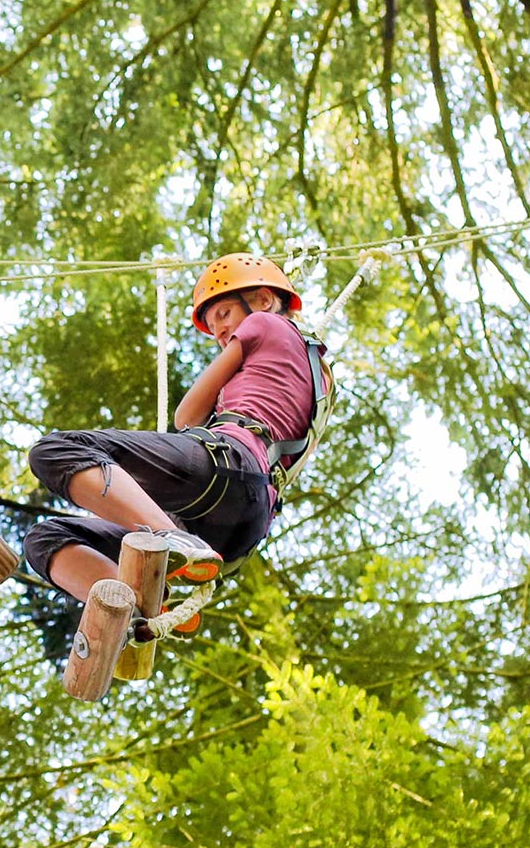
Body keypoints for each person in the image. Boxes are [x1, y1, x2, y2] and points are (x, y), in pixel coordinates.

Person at [21, 253, 332, 613]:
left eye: (224, 315)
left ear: (263, 299)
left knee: (57, 450)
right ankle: (131, 611)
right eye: (214, 329)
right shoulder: (316, 378)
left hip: (228, 464)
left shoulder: (263, 322)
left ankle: (168, 536)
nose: (220, 333)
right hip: (244, 523)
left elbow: (187, 415)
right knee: (45, 538)